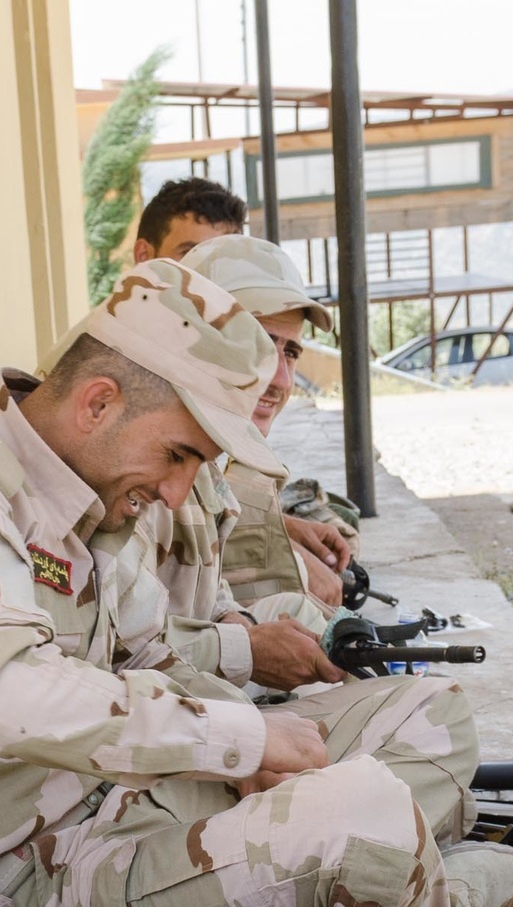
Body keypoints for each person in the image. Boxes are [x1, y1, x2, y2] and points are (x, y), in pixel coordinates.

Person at [0, 259, 455, 907]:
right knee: (365, 816)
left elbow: (154, 655)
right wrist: (242, 741)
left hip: (116, 807)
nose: (178, 493)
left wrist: (257, 745)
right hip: (1, 899)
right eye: (179, 456)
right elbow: (12, 697)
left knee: (428, 718)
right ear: (98, 403)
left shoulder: (87, 496)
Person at [135, 176, 348, 606]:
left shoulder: (215, 450)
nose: (281, 382)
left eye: (290, 352)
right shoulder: (137, 452)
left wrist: (285, 530)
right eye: (255, 344)